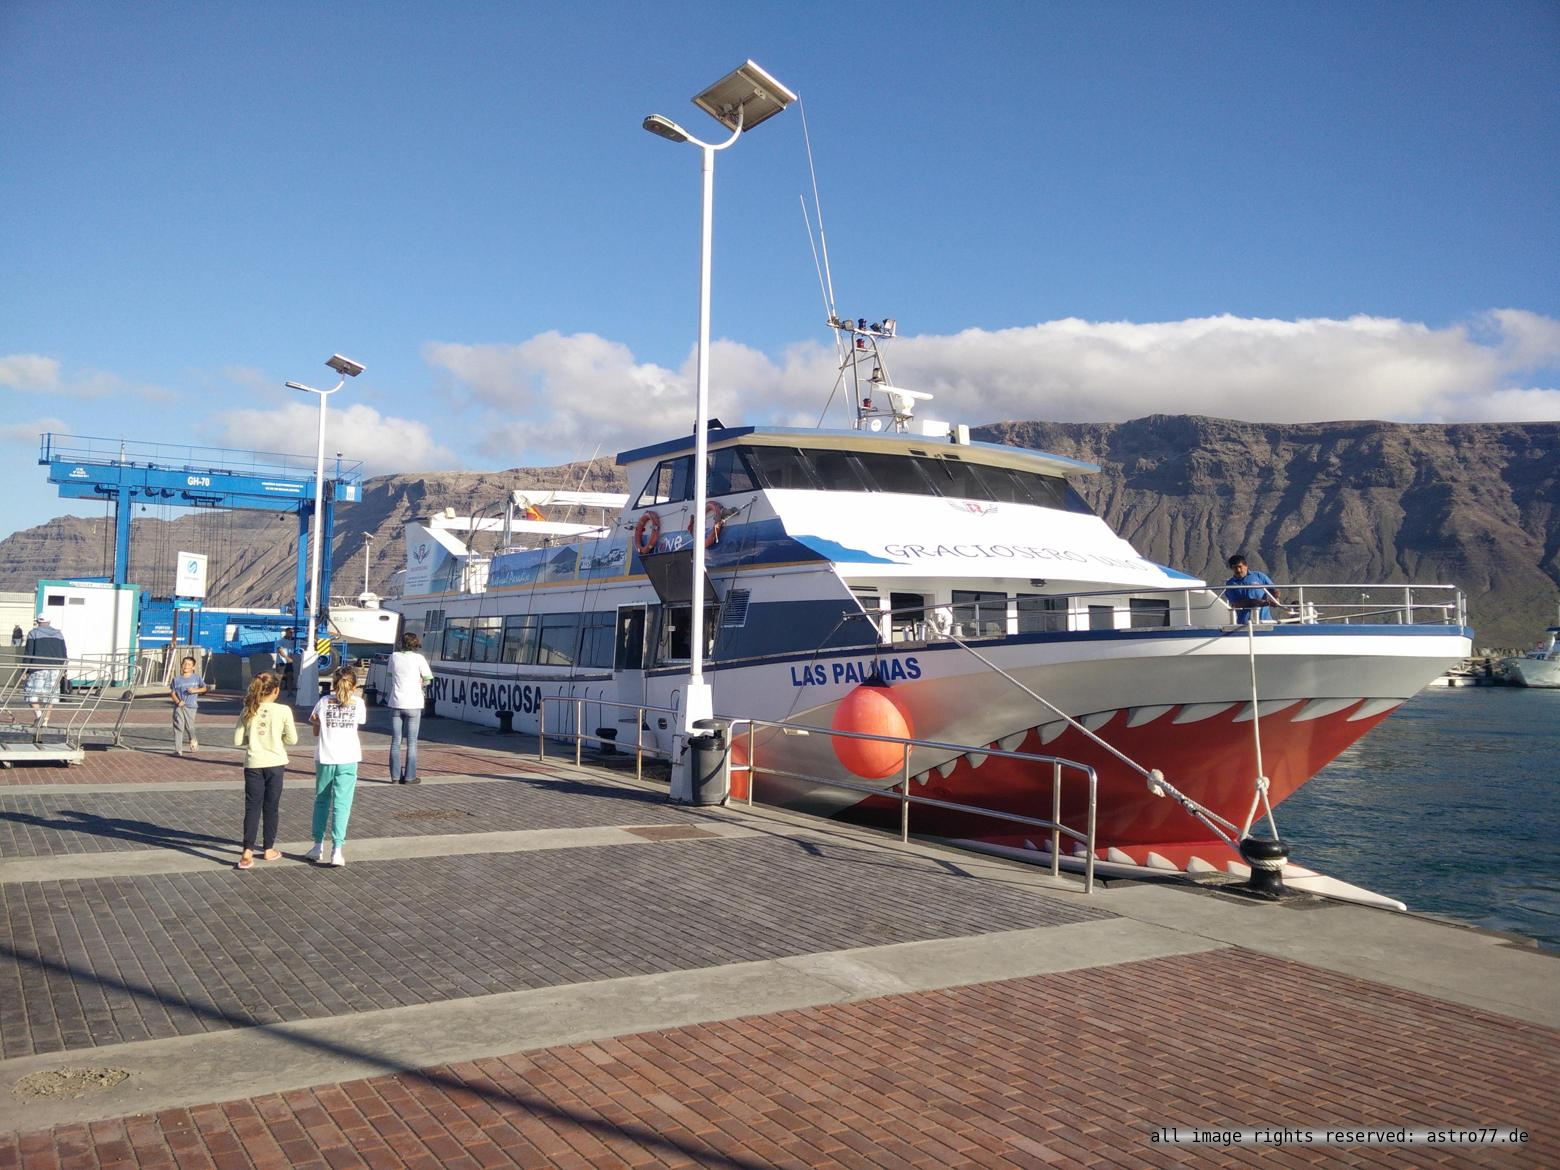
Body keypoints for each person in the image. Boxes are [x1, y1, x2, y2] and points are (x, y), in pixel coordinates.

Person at [232, 671, 297, 870]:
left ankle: (247, 852)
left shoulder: (248, 709)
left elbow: (237, 740)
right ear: (276, 690)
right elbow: (292, 739)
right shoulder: (284, 710)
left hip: (253, 763)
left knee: (252, 807)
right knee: (271, 807)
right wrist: (279, 739)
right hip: (276, 762)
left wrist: (252, 739)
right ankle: (268, 849)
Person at [307, 666, 367, 867]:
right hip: (348, 757)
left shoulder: (323, 702)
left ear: (333, 683)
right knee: (342, 804)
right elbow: (358, 723)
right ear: (355, 685)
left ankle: (317, 846)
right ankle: (337, 849)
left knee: (321, 801)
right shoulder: (358, 703)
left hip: (325, 756)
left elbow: (315, 726)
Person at [386, 631, 433, 784]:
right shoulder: (419, 658)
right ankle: (410, 777)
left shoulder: (394, 656)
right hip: (414, 703)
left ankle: (394, 777)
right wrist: (421, 683)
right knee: (411, 742)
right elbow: (427, 679)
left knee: (395, 741)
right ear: (415, 643)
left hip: (396, 702)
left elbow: (389, 675)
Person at [22, 616, 69, 741]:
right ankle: (45, 721)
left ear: (38, 622)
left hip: (37, 667)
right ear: (49, 622)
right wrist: (65, 669)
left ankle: (39, 716)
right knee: (50, 696)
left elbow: (29, 652)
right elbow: (64, 652)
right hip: (55, 668)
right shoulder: (59, 634)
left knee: (31, 693)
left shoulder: (34, 633)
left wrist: (25, 670)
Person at [1222, 554, 1284, 624]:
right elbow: (1236, 604)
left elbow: (1274, 589)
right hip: (1244, 624)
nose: (1238, 570)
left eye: (1240, 567)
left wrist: (1276, 597)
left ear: (1246, 565)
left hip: (1265, 621)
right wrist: (1258, 602)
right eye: (1235, 568)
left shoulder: (1259, 576)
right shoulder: (1230, 584)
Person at [169, 655, 210, 755]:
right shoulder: (176, 679)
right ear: (181, 665)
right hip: (179, 706)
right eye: (185, 664)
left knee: (189, 726)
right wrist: (178, 702)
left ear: (193, 667)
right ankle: (178, 750)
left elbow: (205, 688)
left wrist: (195, 690)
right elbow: (172, 693)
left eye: (189, 664)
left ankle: (193, 739)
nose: (186, 666)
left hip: (191, 706)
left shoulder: (196, 678)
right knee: (178, 726)